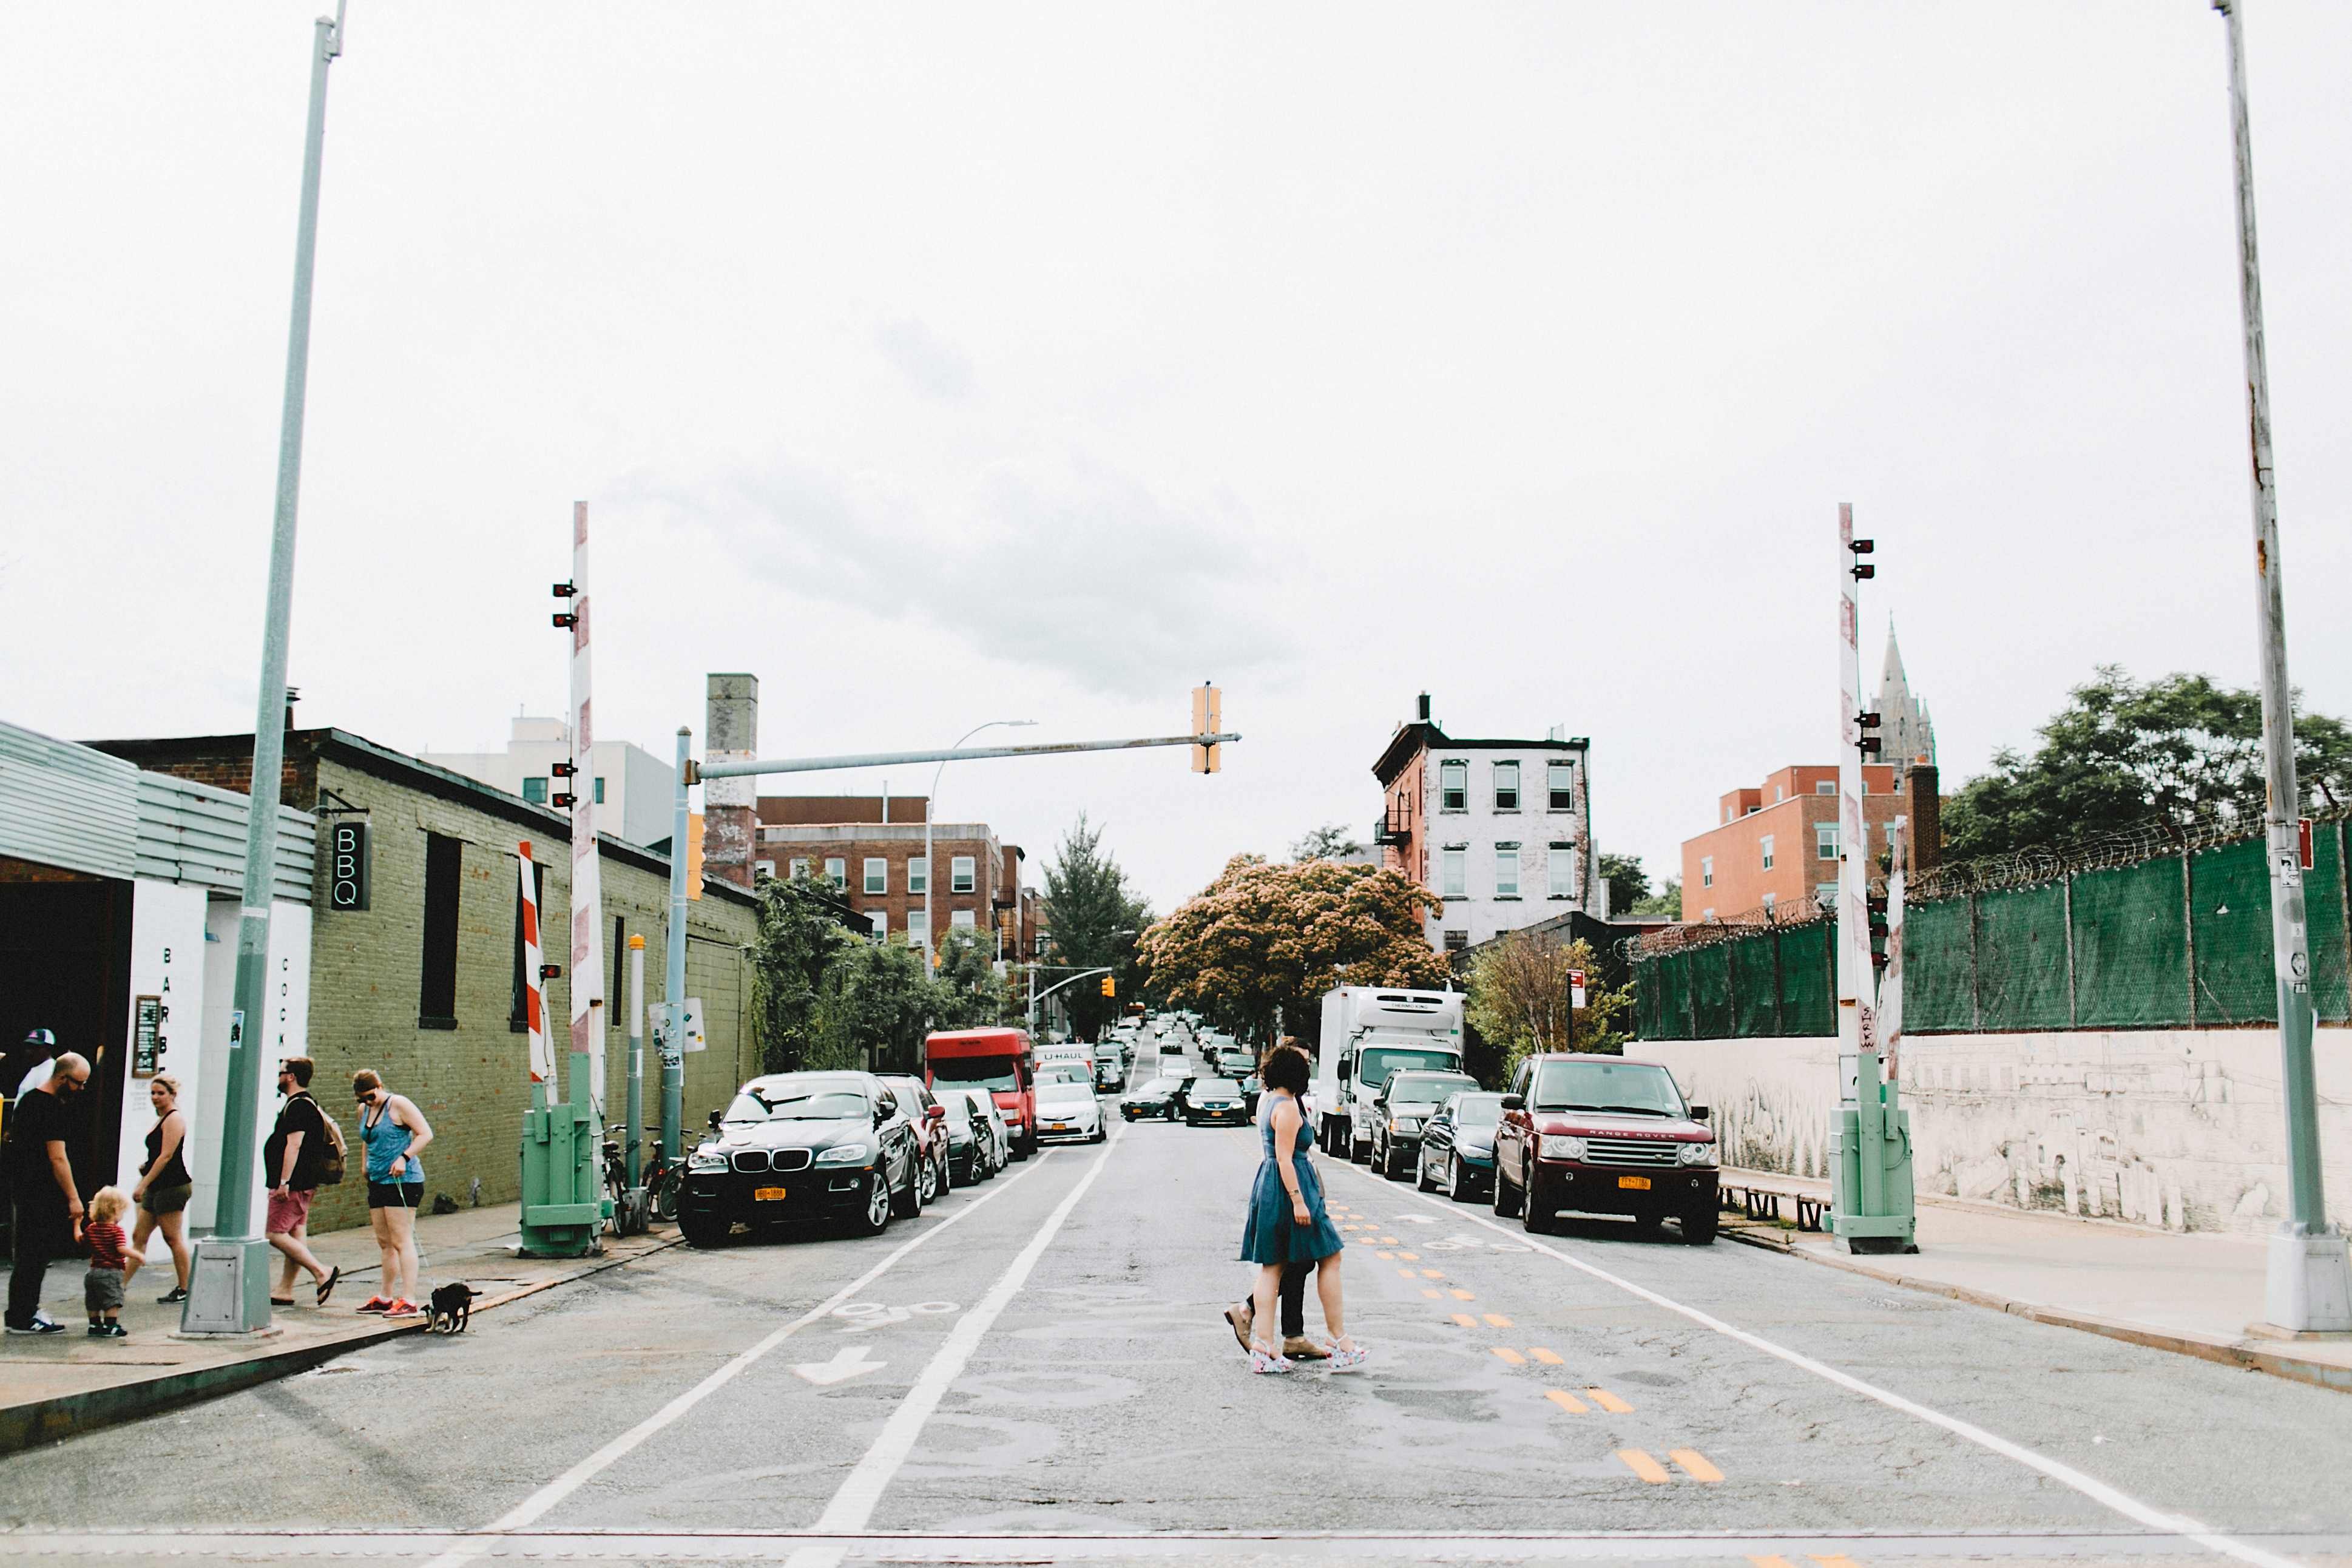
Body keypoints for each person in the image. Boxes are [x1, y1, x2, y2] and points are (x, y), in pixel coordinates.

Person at [1237, 1044, 1365, 1374]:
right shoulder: (1289, 1108)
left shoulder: (1270, 1103)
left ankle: (1265, 1346)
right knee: (1331, 1255)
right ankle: (1339, 1339)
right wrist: (1298, 1200)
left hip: (1268, 1184)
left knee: (1272, 1266)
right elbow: (1285, 1157)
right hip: (1291, 1184)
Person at [4, 1053, 90, 1336]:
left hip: (25, 1187)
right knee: (35, 1255)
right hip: (42, 1191)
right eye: (78, 1083)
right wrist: (74, 1198)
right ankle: (23, 1316)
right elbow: (58, 1158)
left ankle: (24, 1310)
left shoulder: (27, 1101)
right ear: (62, 1077)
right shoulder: (51, 1108)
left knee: (30, 1254)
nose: (81, 1089)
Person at [353, 1069, 432, 1317]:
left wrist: (404, 1158)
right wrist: (364, 1164)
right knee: (385, 1242)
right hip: (378, 1180)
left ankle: (408, 1299)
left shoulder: (397, 1104)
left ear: (378, 1087)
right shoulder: (364, 1110)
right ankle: (386, 1297)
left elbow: (425, 1134)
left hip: (403, 1180)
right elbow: (367, 1139)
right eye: (361, 1099)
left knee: (401, 1240)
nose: (366, 1102)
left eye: (369, 1096)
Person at [263, 1058, 340, 1308]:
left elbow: (293, 1145)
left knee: (275, 1234)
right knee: (295, 1235)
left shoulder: (299, 1106)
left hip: (293, 1184)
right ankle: (285, 1289)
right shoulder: (305, 1105)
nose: (278, 1077)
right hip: (302, 1181)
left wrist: (284, 1182)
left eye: (281, 1072)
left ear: (291, 1077)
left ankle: (321, 1272)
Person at [129, 1075, 194, 1304]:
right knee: (139, 1236)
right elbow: (157, 1155)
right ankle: (120, 1286)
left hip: (172, 1186)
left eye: (160, 1093)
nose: (155, 1098)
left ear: (172, 1094)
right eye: (153, 1093)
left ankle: (185, 1287)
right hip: (157, 1186)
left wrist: (143, 1184)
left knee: (172, 1237)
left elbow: (167, 1156)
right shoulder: (162, 1118)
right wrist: (146, 1168)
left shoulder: (174, 1119)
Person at [82, 1186, 136, 1338]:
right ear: (115, 1210)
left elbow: (80, 1240)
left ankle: (94, 1325)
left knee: (93, 1300)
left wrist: (76, 1224)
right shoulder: (115, 1231)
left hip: (92, 1272)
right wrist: (137, 1256)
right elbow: (121, 1249)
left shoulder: (91, 1228)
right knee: (112, 1299)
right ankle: (111, 1326)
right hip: (111, 1271)